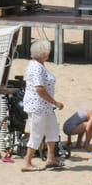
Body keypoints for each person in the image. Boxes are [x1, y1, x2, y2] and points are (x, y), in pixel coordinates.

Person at [20, 39, 65, 171]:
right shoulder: (36, 67)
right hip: (38, 106)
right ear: (43, 53)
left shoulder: (39, 65)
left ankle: (51, 158)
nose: (48, 53)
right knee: (37, 133)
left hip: (45, 106)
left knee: (53, 130)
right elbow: (39, 89)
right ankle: (27, 162)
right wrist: (55, 102)